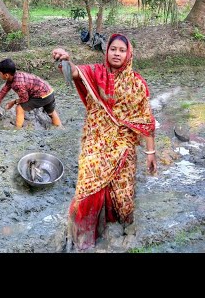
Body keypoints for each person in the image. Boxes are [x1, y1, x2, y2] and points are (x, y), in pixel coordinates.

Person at [52, 33, 157, 251]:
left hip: (123, 146)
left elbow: (146, 121)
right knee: (88, 187)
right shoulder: (95, 73)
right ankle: (84, 235)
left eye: (121, 50)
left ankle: (124, 226)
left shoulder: (136, 85)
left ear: (129, 54)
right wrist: (65, 59)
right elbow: (73, 72)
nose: (117, 54)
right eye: (113, 49)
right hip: (95, 142)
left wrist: (150, 153)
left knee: (123, 194)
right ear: (106, 51)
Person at [0, 58, 62, 128]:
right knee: (51, 112)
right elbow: (3, 91)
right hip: (49, 92)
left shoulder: (18, 84)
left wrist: (13, 102)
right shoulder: (14, 76)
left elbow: (25, 99)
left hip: (41, 96)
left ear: (6, 75)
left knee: (19, 108)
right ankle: (60, 127)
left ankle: (17, 129)